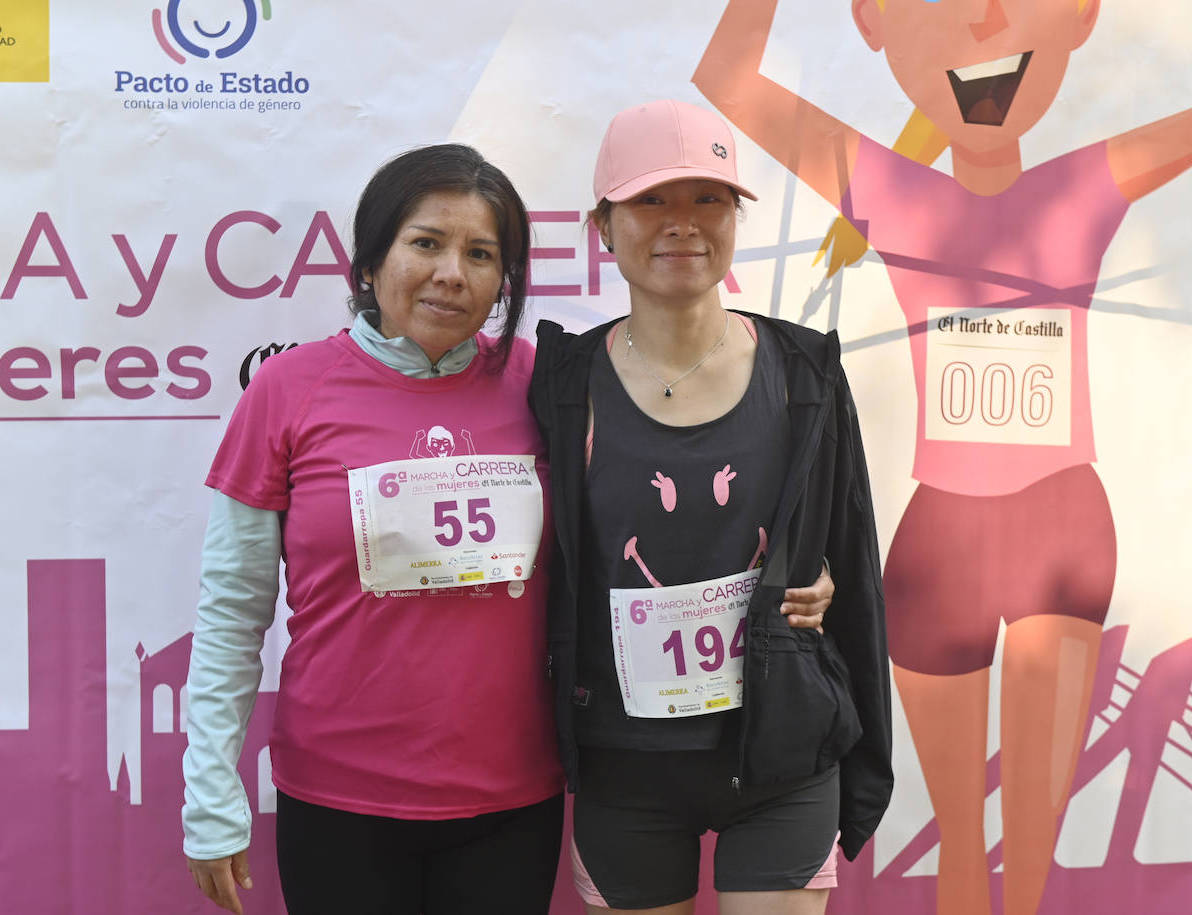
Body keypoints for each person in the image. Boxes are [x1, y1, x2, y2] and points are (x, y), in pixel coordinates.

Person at [693, 3, 1192, 914]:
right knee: (964, 847)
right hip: (939, 547)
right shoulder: (895, 190)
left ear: (1080, 20)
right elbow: (727, 80)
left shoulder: (1085, 184)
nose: (986, 21)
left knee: (1026, 851)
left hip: (1059, 530)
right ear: (875, 26)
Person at [181, 142, 838, 915]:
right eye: (425, 243)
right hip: (338, 792)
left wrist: (798, 579)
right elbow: (232, 609)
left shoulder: (546, 385)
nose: (452, 272)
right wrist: (210, 798)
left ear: (506, 280)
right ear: (369, 261)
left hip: (507, 797)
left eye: (481, 253)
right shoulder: (289, 390)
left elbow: (641, 524)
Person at [530, 99, 892, 915]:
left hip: (781, 754)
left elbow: (850, 551)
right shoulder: (561, 384)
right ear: (602, 224)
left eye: (709, 199)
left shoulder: (805, 373)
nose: (682, 224)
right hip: (625, 762)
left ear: (735, 219)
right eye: (652, 200)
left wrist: (817, 573)